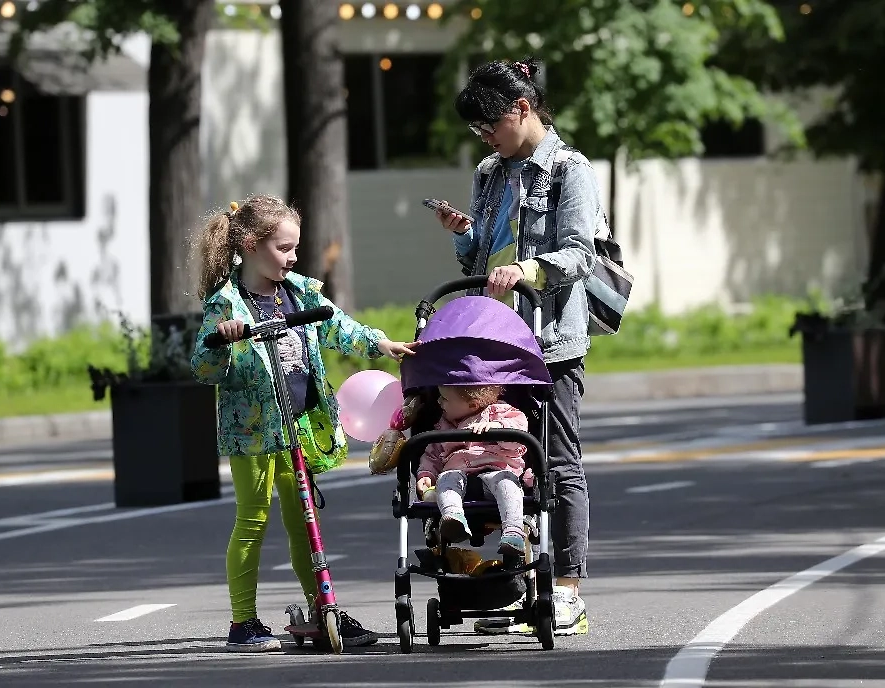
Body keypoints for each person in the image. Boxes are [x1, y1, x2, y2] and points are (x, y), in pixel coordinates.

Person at [191, 194, 418, 652]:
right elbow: (202, 366)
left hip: (298, 428)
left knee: (304, 523)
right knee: (252, 521)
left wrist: (380, 343)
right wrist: (222, 342)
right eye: (283, 248)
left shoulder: (299, 292)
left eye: (295, 247)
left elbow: (338, 327)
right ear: (251, 245)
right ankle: (243, 623)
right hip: (253, 432)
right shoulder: (228, 303)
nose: (293, 256)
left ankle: (323, 608)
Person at [434, 57, 600, 637]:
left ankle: (568, 589)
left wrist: (530, 269)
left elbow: (582, 253)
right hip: (490, 339)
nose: (485, 139)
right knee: (485, 459)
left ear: (521, 109)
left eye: (489, 126)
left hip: (548, 339)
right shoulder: (489, 173)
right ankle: (502, 582)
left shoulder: (568, 169)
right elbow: (481, 257)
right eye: (478, 132)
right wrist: (465, 236)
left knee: (556, 461)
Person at [414, 385, 530, 564]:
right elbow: (432, 455)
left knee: (508, 484)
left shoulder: (500, 412)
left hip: (496, 470)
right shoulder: (443, 426)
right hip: (459, 476)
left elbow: (519, 434)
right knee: (446, 479)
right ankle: (453, 518)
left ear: (473, 405)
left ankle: (513, 531)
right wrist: (426, 474)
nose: (438, 402)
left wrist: (497, 427)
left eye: (444, 398)